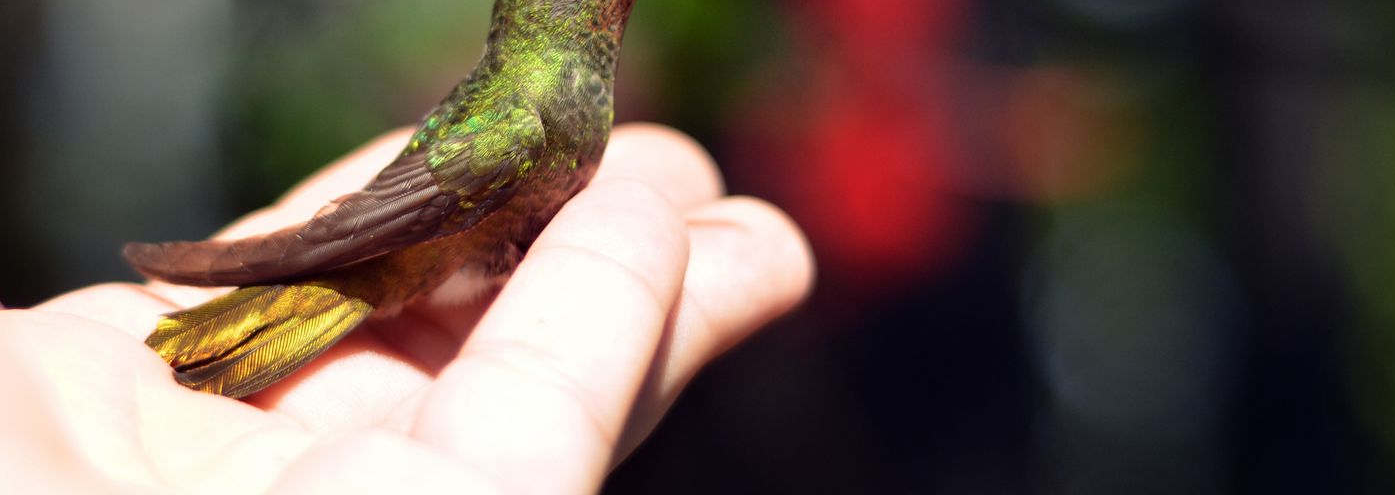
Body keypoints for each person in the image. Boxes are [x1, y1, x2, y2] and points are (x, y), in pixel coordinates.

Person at [0, 123, 814, 493]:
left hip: (449, 262)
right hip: (412, 263)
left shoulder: (566, 106)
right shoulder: (526, 115)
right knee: (337, 285)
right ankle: (196, 352)